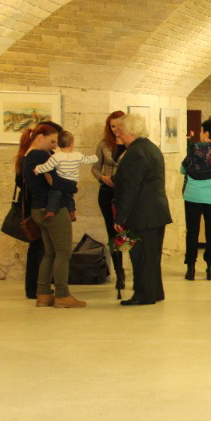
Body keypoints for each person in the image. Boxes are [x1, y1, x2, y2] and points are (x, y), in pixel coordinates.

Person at [22, 123, 85, 308]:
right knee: (63, 252)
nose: (54, 146)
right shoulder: (41, 155)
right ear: (40, 137)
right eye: (52, 142)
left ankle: (43, 294)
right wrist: (73, 186)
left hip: (37, 209)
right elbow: (54, 181)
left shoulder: (27, 156)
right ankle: (62, 295)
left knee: (49, 252)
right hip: (53, 210)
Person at [113, 114, 172, 307]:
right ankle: (155, 291)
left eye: (120, 130)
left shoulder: (135, 152)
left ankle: (144, 294)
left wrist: (120, 216)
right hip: (154, 212)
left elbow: (131, 187)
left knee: (141, 256)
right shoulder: (150, 147)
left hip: (142, 213)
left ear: (131, 131)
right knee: (151, 256)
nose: (118, 133)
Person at [181, 118, 211, 281]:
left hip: (193, 195)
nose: (200, 134)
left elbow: (183, 169)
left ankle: (191, 268)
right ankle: (210, 268)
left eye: (201, 131)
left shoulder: (194, 148)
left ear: (206, 133)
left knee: (192, 231)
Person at [91, 111, 127, 290]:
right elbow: (95, 167)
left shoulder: (131, 144)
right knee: (112, 233)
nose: (115, 130)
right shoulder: (104, 144)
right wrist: (102, 178)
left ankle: (134, 268)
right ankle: (119, 272)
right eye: (112, 126)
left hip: (125, 193)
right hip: (106, 192)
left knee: (127, 233)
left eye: (118, 126)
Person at [32, 130, 97, 220]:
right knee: (69, 196)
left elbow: (47, 167)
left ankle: (51, 211)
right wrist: (96, 157)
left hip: (61, 182)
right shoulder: (78, 155)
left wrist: (37, 169)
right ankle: (72, 212)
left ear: (58, 144)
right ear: (72, 145)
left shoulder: (56, 157)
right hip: (72, 182)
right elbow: (88, 160)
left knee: (55, 193)